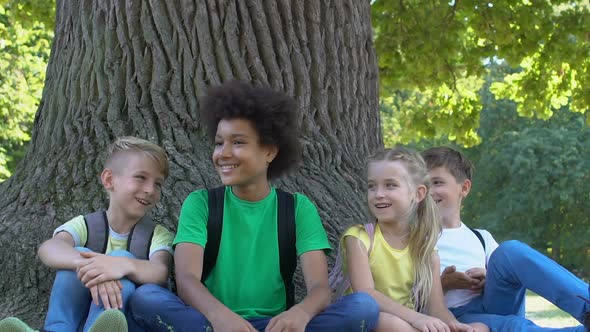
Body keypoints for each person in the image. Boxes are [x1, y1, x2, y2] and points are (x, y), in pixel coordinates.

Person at [127, 81, 379, 332]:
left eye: (238, 142)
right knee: (146, 297)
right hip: (210, 323)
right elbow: (186, 280)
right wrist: (220, 317)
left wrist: (301, 313)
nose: (223, 153)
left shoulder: (298, 208)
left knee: (363, 306)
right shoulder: (200, 203)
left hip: (275, 327)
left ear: (269, 151)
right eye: (218, 143)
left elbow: (320, 289)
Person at [422, 146, 590, 332]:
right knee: (514, 326)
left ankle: (587, 307)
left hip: (492, 304)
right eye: (423, 184)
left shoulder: (481, 238)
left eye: (437, 182)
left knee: (510, 250)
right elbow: (406, 300)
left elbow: (506, 278)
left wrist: (487, 278)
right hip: (454, 317)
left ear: (464, 188)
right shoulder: (414, 239)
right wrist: (443, 285)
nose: (429, 191)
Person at [21, 136, 173, 332]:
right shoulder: (86, 224)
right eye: (141, 177)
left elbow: (160, 271)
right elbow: (49, 248)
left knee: (121, 256)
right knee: (75, 256)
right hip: (79, 317)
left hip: (129, 321)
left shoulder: (157, 235)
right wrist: (93, 268)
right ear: (109, 180)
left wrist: (120, 265)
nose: (150, 190)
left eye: (158, 184)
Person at [342, 147, 487, 332]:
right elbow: (366, 294)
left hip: (409, 324)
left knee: (480, 328)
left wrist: (455, 326)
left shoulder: (425, 248)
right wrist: (417, 318)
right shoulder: (359, 238)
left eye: (390, 185)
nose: (378, 194)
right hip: (368, 321)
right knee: (389, 323)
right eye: (372, 186)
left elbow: (437, 308)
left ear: (418, 194)